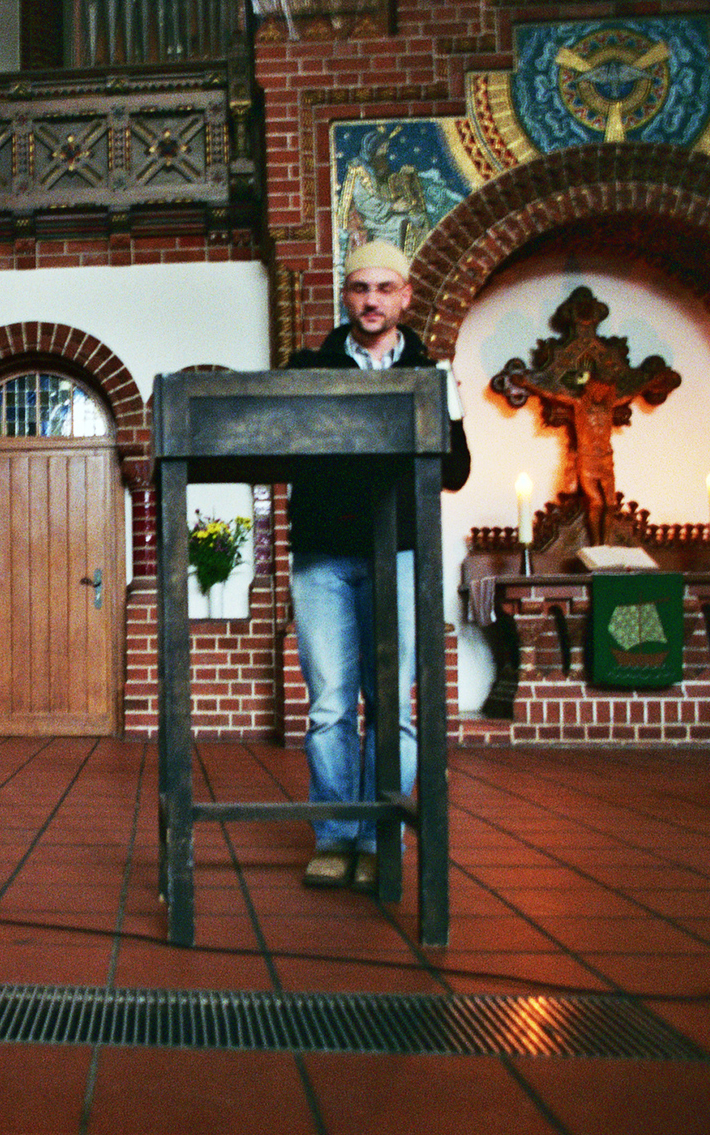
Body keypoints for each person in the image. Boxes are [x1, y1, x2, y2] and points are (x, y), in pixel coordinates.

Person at [285, 239, 470, 892]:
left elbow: (455, 470)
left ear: (406, 296)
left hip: (400, 553)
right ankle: (337, 835)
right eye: (360, 288)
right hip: (323, 556)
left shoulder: (431, 372)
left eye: (385, 288)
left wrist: (448, 406)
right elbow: (288, 449)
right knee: (329, 707)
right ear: (346, 295)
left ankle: (376, 835)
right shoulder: (307, 367)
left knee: (392, 706)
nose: (371, 300)